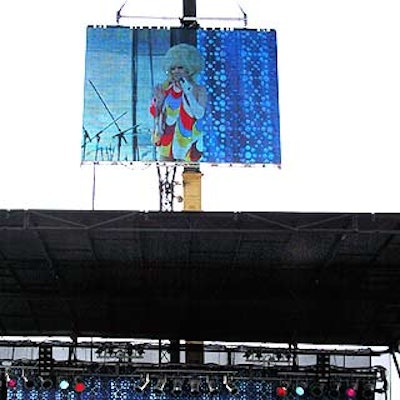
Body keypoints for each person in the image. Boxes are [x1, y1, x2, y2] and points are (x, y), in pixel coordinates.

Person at [150, 43, 208, 162]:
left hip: (190, 139)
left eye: (180, 67)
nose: (176, 71)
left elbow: (199, 114)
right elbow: (155, 113)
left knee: (189, 177)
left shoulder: (199, 89)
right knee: (165, 173)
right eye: (173, 68)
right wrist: (159, 102)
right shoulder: (165, 88)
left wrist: (188, 92)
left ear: (189, 68)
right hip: (167, 139)